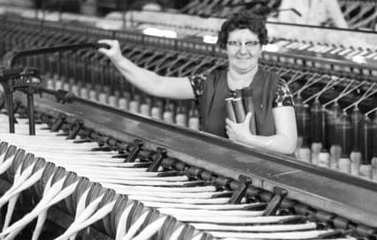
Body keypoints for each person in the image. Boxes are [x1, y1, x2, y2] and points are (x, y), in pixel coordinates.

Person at [98, 11, 298, 155]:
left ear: (261, 47)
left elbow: (288, 143)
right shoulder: (207, 83)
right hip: (222, 173)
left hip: (269, 176)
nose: (243, 51)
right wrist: (119, 59)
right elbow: (157, 84)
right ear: (224, 47)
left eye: (251, 43)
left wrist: (250, 140)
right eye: (235, 43)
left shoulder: (277, 87)